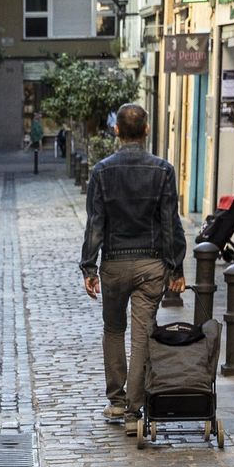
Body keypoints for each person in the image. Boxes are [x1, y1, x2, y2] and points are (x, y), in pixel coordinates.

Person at [80, 101, 187, 434]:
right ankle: (134, 410)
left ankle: (116, 399)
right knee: (142, 334)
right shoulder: (163, 170)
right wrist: (176, 267)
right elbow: (170, 223)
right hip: (150, 265)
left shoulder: (101, 171)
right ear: (146, 130)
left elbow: (96, 223)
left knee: (114, 330)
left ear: (116, 131)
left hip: (114, 264)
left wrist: (89, 267)